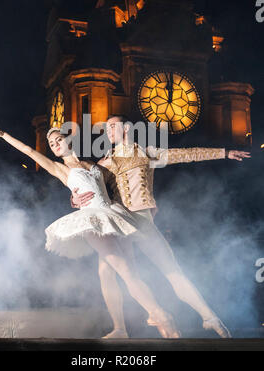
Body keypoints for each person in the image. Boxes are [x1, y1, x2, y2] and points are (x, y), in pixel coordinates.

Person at [0, 124, 180, 339]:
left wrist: (147, 200)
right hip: (92, 221)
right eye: (51, 144)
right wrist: (4, 135)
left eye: (58, 140)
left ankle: (122, 329)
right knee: (124, 270)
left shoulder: (92, 164)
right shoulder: (61, 169)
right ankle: (159, 313)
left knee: (107, 273)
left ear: (69, 141)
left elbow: (120, 182)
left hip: (112, 215)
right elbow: (29, 151)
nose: (55, 145)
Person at [71, 115, 251, 339]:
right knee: (111, 272)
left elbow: (187, 154)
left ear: (127, 128)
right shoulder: (104, 163)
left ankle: (210, 318)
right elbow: (91, 193)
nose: (108, 131)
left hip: (143, 224)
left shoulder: (147, 153)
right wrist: (76, 200)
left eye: (113, 126)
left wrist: (223, 153)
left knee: (172, 272)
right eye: (106, 128)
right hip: (121, 225)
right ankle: (129, 325)